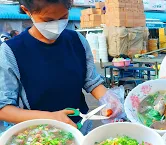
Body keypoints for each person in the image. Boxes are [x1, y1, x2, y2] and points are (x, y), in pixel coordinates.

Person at [0, 0, 123, 135]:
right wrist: (50, 118)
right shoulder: (11, 51)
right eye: (48, 20)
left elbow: (91, 81)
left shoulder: (77, 41)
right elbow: (4, 109)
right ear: (27, 10)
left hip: (80, 128)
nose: (57, 25)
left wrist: (108, 99)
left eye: (63, 17)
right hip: (38, 137)